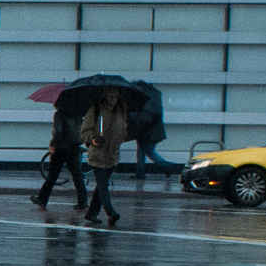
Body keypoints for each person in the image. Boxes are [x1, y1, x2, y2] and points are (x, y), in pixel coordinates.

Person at [79, 86, 128, 225]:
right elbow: (85, 132)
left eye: (116, 97)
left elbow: (124, 129)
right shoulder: (95, 110)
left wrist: (120, 138)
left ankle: (91, 213)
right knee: (103, 185)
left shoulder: (121, 110)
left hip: (112, 154)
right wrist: (93, 139)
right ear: (105, 97)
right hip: (98, 154)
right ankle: (110, 212)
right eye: (111, 96)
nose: (114, 100)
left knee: (101, 187)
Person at [31, 102, 86, 211]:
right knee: (77, 175)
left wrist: (52, 144)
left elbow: (59, 132)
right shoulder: (78, 114)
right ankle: (83, 201)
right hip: (74, 148)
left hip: (61, 148)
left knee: (52, 176)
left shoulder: (59, 114)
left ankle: (42, 199)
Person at [130, 98, 172, 180]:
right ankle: (140, 173)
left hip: (147, 135)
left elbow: (144, 122)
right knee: (143, 153)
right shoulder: (154, 105)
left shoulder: (145, 107)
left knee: (147, 153)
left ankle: (166, 166)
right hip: (151, 135)